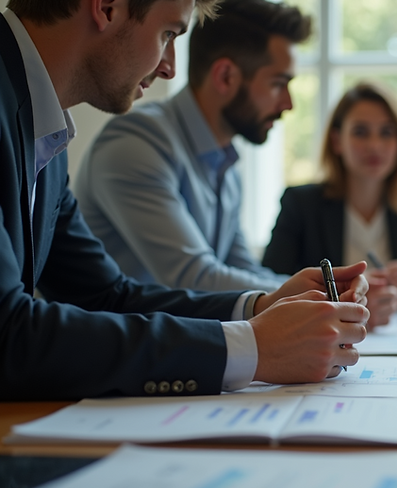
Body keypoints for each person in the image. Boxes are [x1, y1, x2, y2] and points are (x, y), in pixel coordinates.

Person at [0, 0, 369, 401]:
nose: (170, 68)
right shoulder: (124, 139)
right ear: (106, 7)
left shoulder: (45, 136)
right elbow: (7, 331)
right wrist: (252, 347)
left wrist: (263, 306)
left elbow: (108, 296)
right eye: (168, 35)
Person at [74, 0, 308, 293]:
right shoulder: (136, 142)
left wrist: (328, 292)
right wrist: (322, 297)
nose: (288, 104)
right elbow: (194, 278)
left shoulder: (226, 167)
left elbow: (241, 269)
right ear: (225, 76)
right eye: (278, 84)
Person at [262, 82, 397, 328]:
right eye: (360, 132)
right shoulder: (302, 204)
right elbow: (268, 285)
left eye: (386, 132)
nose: (374, 145)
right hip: (323, 338)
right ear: (337, 141)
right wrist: (348, 296)